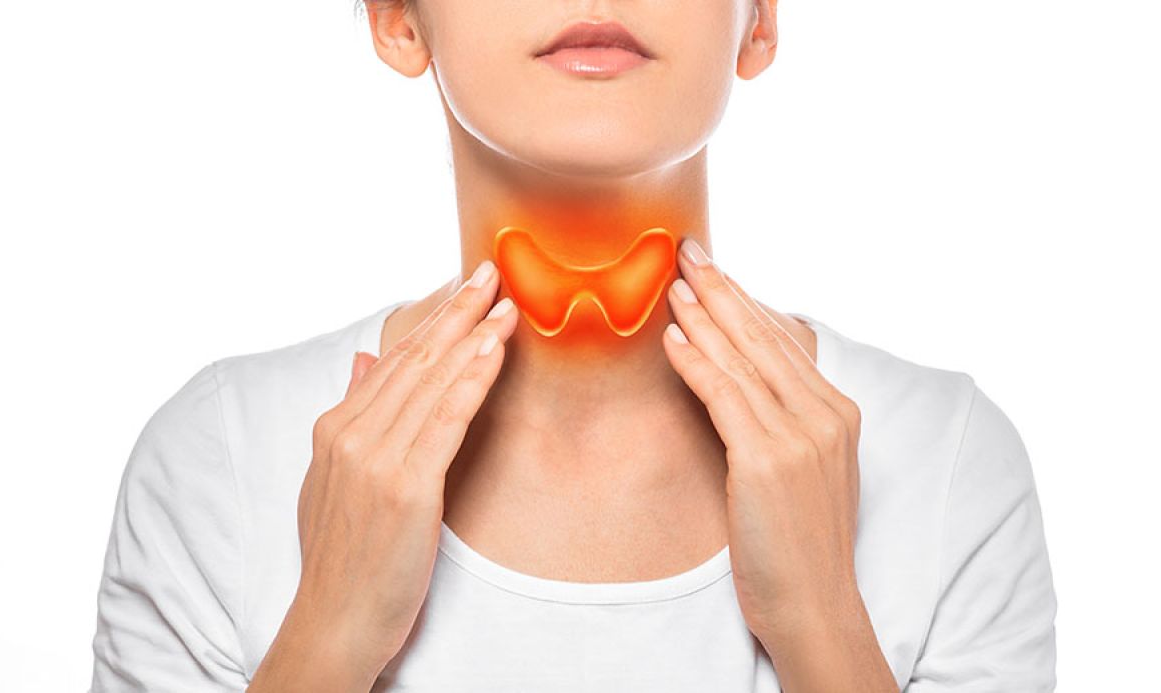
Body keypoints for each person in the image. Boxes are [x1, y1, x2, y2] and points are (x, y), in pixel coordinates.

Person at [88, 1, 1058, 691]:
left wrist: (824, 628)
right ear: (397, 18)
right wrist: (327, 639)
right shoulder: (215, 463)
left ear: (758, 19)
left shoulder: (949, 467)